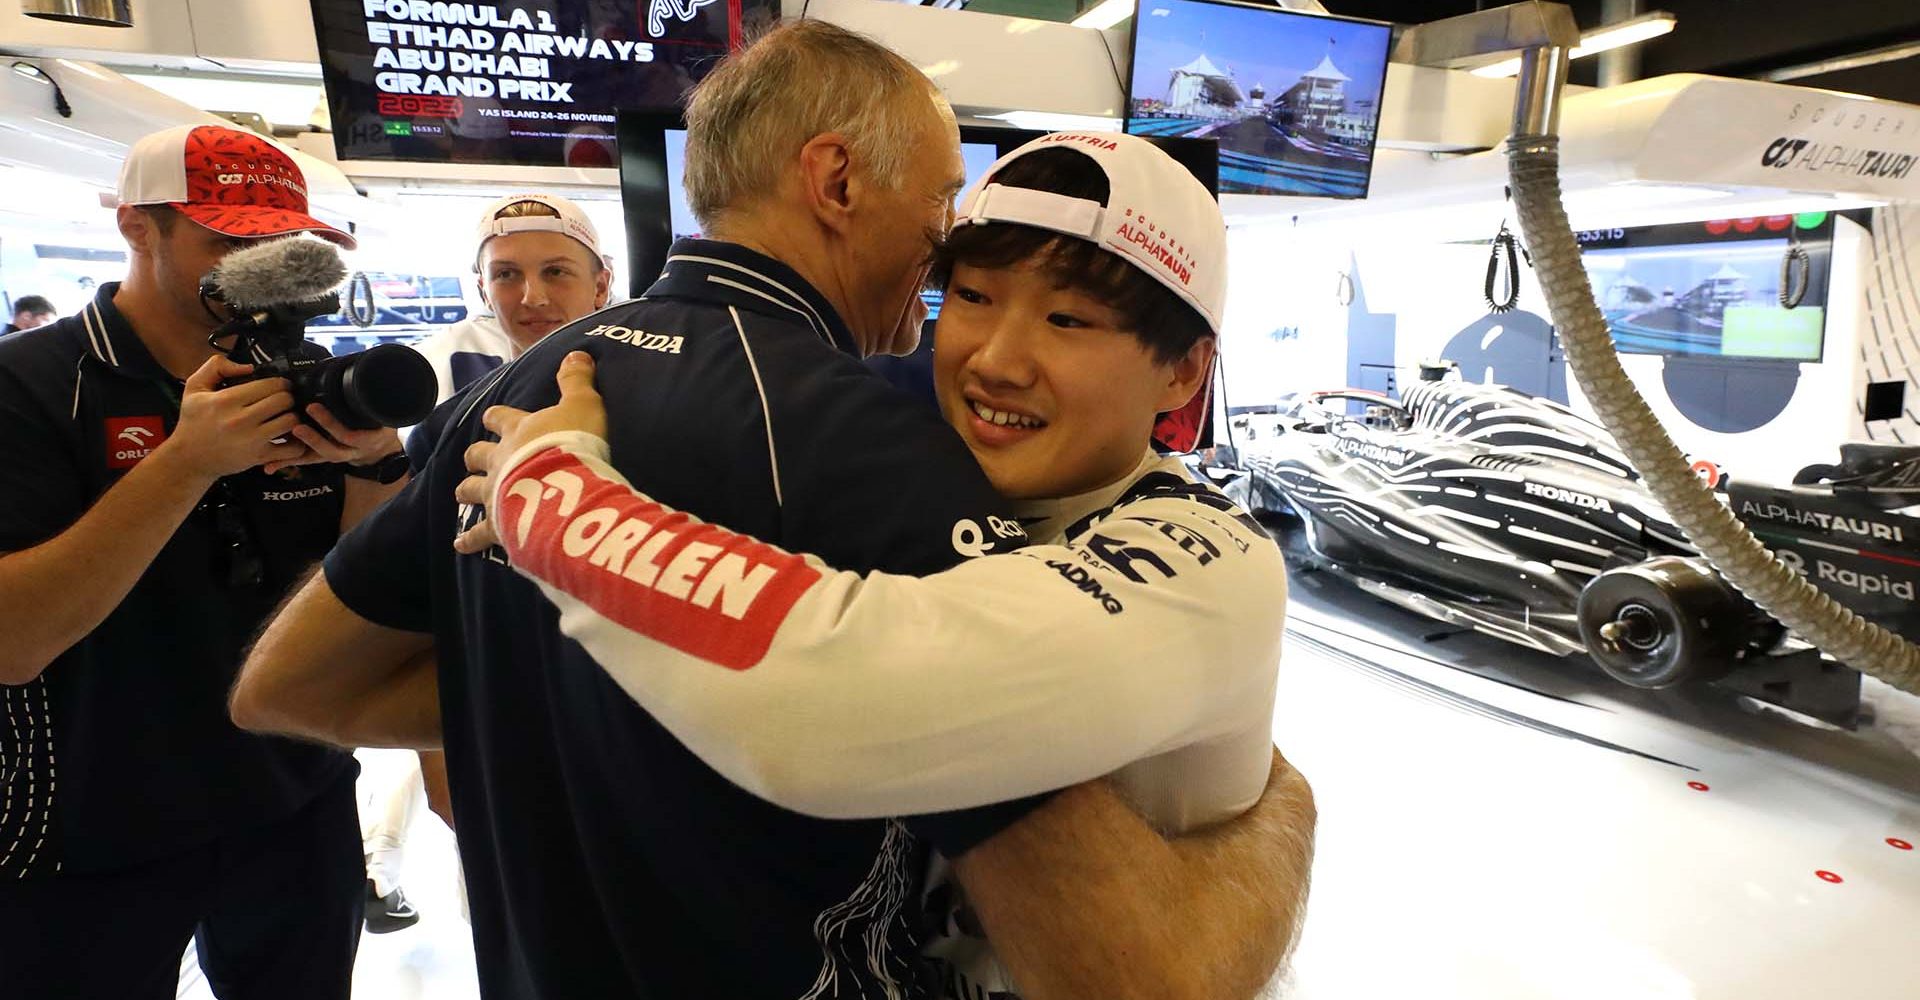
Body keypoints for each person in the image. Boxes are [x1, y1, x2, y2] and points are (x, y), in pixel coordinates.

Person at [233, 21, 1309, 999]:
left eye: (1070, 317)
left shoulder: (525, 391)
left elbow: (288, 686)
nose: (984, 341)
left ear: (1182, 373)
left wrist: (573, 683)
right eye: (958, 260)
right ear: (838, 179)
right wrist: (1288, 821)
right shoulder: (883, 455)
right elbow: (1123, 968)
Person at [460, 132, 1306, 998]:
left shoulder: (1211, 559)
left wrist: (550, 492)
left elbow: (830, 700)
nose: (996, 361)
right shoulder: (921, 484)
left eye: (1068, 320)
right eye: (972, 297)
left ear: (1183, 371)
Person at [0, 123, 410, 998]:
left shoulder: (307, 380)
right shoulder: (31, 386)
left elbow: (356, 595)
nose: (256, 267)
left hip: (295, 802)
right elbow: (13, 641)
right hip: (86, 828)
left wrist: (375, 466)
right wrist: (186, 463)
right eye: (227, 238)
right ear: (135, 229)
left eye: (280, 243)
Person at [361, 191, 614, 934]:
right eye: (506, 274)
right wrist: (440, 757)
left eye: (556, 272)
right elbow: (408, 591)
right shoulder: (437, 394)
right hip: (499, 712)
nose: (530, 297)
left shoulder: (658, 371)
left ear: (601, 282)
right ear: (479, 285)